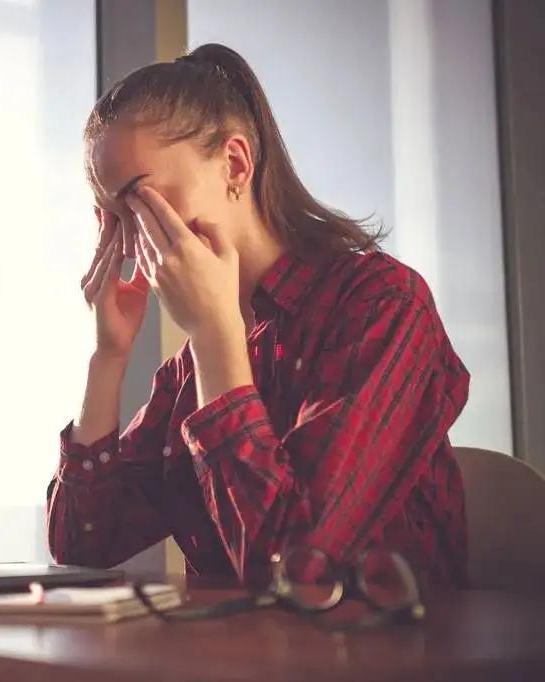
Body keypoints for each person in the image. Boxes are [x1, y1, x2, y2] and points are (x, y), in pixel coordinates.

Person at [46, 43, 470, 587]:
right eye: (113, 216)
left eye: (143, 201)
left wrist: (214, 333)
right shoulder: (192, 368)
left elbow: (297, 567)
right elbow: (82, 543)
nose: (132, 239)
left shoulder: (381, 304)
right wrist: (107, 357)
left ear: (235, 164)